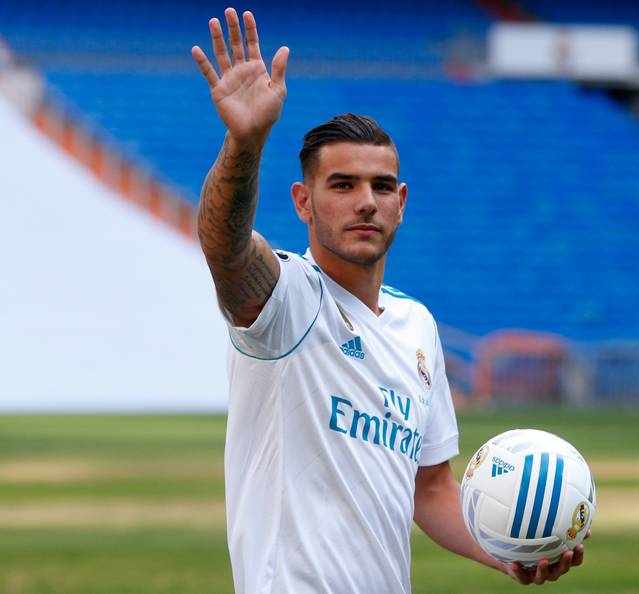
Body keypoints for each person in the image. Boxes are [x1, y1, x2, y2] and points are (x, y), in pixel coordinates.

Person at [191, 8, 586, 593]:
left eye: (380, 186)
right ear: (303, 201)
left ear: (401, 201)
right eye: (343, 185)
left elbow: (430, 489)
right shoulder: (287, 302)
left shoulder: (416, 326)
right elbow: (225, 250)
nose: (366, 202)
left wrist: (506, 553)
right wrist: (244, 141)